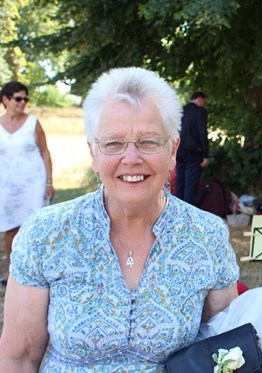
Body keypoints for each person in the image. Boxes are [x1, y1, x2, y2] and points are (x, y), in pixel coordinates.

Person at [0, 67, 239, 372]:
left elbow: (227, 350)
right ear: (93, 153)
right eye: (113, 143)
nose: (131, 159)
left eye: (149, 142)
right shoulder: (46, 233)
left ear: (173, 149)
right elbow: (18, 358)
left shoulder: (207, 236)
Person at [0, 81, 54, 286]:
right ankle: (12, 272)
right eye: (18, 98)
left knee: (35, 227)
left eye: (25, 99)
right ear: (5, 100)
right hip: (6, 186)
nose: (23, 103)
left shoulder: (33, 123)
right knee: (9, 228)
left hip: (33, 184)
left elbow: (45, 152)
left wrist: (49, 182)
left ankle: (39, 271)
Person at [174, 91, 209, 205]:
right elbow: (202, 132)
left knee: (179, 185)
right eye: (205, 102)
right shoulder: (200, 112)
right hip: (193, 152)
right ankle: (188, 218)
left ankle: (176, 215)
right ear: (199, 99)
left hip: (178, 151)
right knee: (190, 187)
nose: (205, 105)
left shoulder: (179, 110)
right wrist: (205, 154)